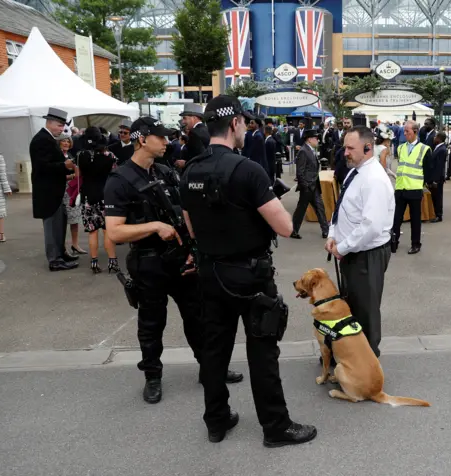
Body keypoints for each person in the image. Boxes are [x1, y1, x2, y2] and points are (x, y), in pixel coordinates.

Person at [179, 94, 316, 446]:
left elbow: (190, 227)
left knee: (214, 351)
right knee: (262, 351)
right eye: (245, 123)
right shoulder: (248, 171)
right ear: (236, 123)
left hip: (210, 273)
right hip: (251, 276)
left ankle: (217, 420)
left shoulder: (190, 171)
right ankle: (275, 427)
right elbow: (285, 227)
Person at [104, 116, 243, 405]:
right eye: (161, 137)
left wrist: (194, 247)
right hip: (148, 263)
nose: (168, 142)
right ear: (142, 139)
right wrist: (154, 226)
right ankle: (152, 377)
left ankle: (210, 370)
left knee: (198, 318)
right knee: (152, 324)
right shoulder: (119, 180)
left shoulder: (166, 172)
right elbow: (115, 231)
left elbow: (185, 213)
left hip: (181, 260)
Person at [325, 126, 394, 358]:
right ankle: (350, 358)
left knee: (366, 312)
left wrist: (342, 247)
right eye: (345, 147)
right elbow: (342, 207)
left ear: (367, 148)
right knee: (351, 307)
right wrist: (333, 235)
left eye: (350, 148)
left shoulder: (374, 179)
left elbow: (371, 226)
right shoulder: (355, 172)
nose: (345, 153)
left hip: (366, 256)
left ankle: (367, 363)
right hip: (352, 253)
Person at [30, 107, 79, 271]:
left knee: (60, 224)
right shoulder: (41, 140)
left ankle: (61, 253)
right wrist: (64, 165)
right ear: (50, 123)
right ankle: (55, 260)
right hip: (48, 192)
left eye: (63, 126)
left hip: (55, 191)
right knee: (52, 227)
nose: (62, 129)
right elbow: (42, 167)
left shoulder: (48, 138)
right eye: (59, 126)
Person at [77, 127, 119, 274]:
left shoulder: (81, 155)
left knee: (92, 231)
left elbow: (79, 174)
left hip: (88, 196)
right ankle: (112, 261)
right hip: (106, 196)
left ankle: (94, 262)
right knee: (108, 230)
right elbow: (115, 174)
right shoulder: (110, 156)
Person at [391, 120, 433, 255]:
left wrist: (423, 185)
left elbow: (428, 170)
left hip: (414, 189)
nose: (405, 134)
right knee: (396, 218)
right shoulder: (400, 147)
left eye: (407, 131)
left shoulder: (424, 149)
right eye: (404, 131)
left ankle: (415, 244)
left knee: (415, 220)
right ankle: (393, 241)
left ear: (415, 132)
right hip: (400, 188)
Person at [291, 129, 329, 240]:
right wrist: (305, 185)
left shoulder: (310, 150)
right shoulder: (304, 151)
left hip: (314, 185)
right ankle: (293, 230)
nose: (317, 140)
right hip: (307, 186)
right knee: (301, 209)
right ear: (309, 139)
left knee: (319, 207)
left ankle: (325, 230)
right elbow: (300, 171)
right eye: (316, 138)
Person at [59, 136, 86, 255]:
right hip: (61, 189)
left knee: (75, 219)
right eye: (63, 141)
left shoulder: (70, 155)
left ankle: (75, 244)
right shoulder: (57, 156)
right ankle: (62, 247)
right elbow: (56, 174)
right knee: (62, 220)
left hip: (73, 189)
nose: (66, 143)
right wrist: (72, 177)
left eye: (68, 141)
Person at [429, 131, 447, 223]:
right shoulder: (438, 147)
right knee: (435, 197)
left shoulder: (442, 149)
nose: (434, 138)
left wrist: (435, 180)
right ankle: (436, 213)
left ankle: (438, 215)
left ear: (439, 139)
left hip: (437, 178)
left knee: (438, 197)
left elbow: (439, 166)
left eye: (435, 136)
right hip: (435, 177)